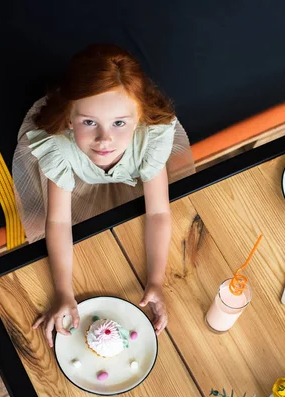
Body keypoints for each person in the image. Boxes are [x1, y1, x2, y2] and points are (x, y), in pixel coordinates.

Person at [12, 44, 195, 348]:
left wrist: (156, 281)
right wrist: (63, 291)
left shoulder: (149, 140)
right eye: (89, 122)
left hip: (130, 170)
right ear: (70, 120)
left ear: (139, 118)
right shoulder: (59, 145)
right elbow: (57, 220)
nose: (104, 139)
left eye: (119, 123)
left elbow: (159, 213)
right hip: (77, 170)